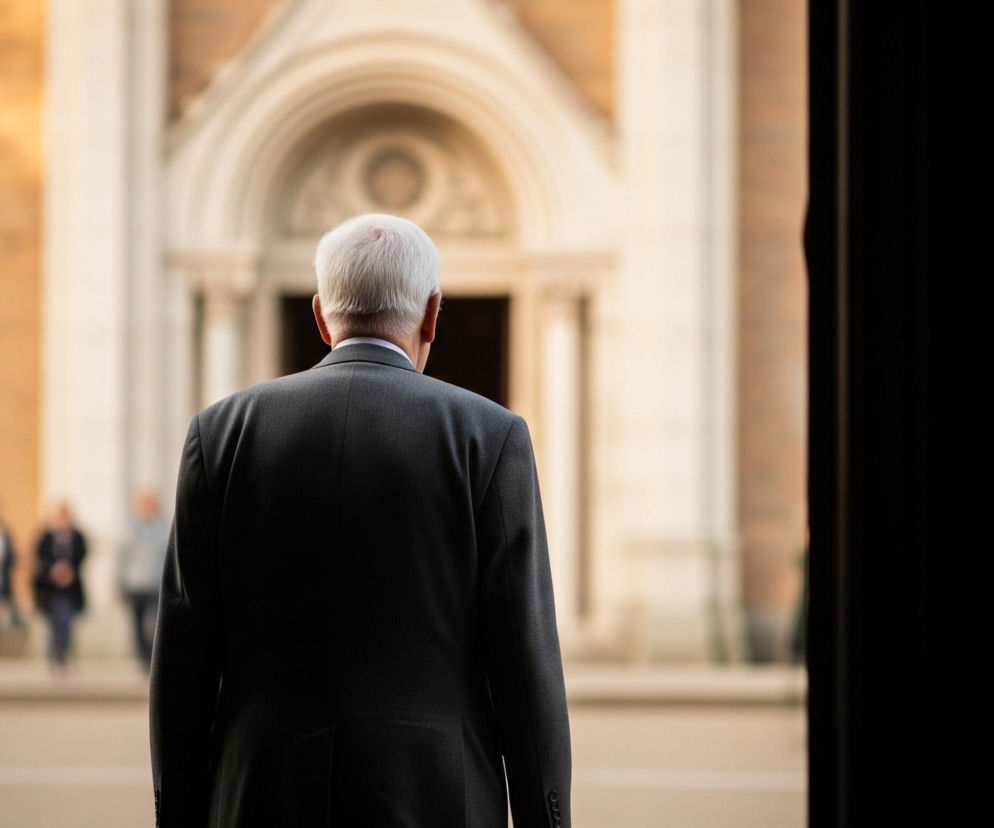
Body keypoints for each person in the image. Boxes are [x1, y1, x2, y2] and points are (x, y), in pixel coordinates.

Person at [150, 214, 571, 827]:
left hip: (259, 794)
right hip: (436, 797)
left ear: (322, 317)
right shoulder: (490, 435)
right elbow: (524, 661)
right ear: (432, 314)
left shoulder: (221, 433)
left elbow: (183, 664)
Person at [118, 490, 169, 671]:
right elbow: (122, 557)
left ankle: (154, 657)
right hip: (135, 583)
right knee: (137, 625)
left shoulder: (164, 528)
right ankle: (143, 659)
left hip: (156, 584)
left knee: (155, 623)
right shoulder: (130, 529)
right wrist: (118, 583)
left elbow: (168, 557)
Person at [33, 502, 87, 670]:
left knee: (67, 621)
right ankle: (54, 655)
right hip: (50, 588)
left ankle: (64, 654)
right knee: (54, 622)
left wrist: (68, 570)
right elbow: (40, 556)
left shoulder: (77, 536)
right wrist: (54, 570)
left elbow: (82, 554)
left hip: (71, 588)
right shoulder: (47, 536)